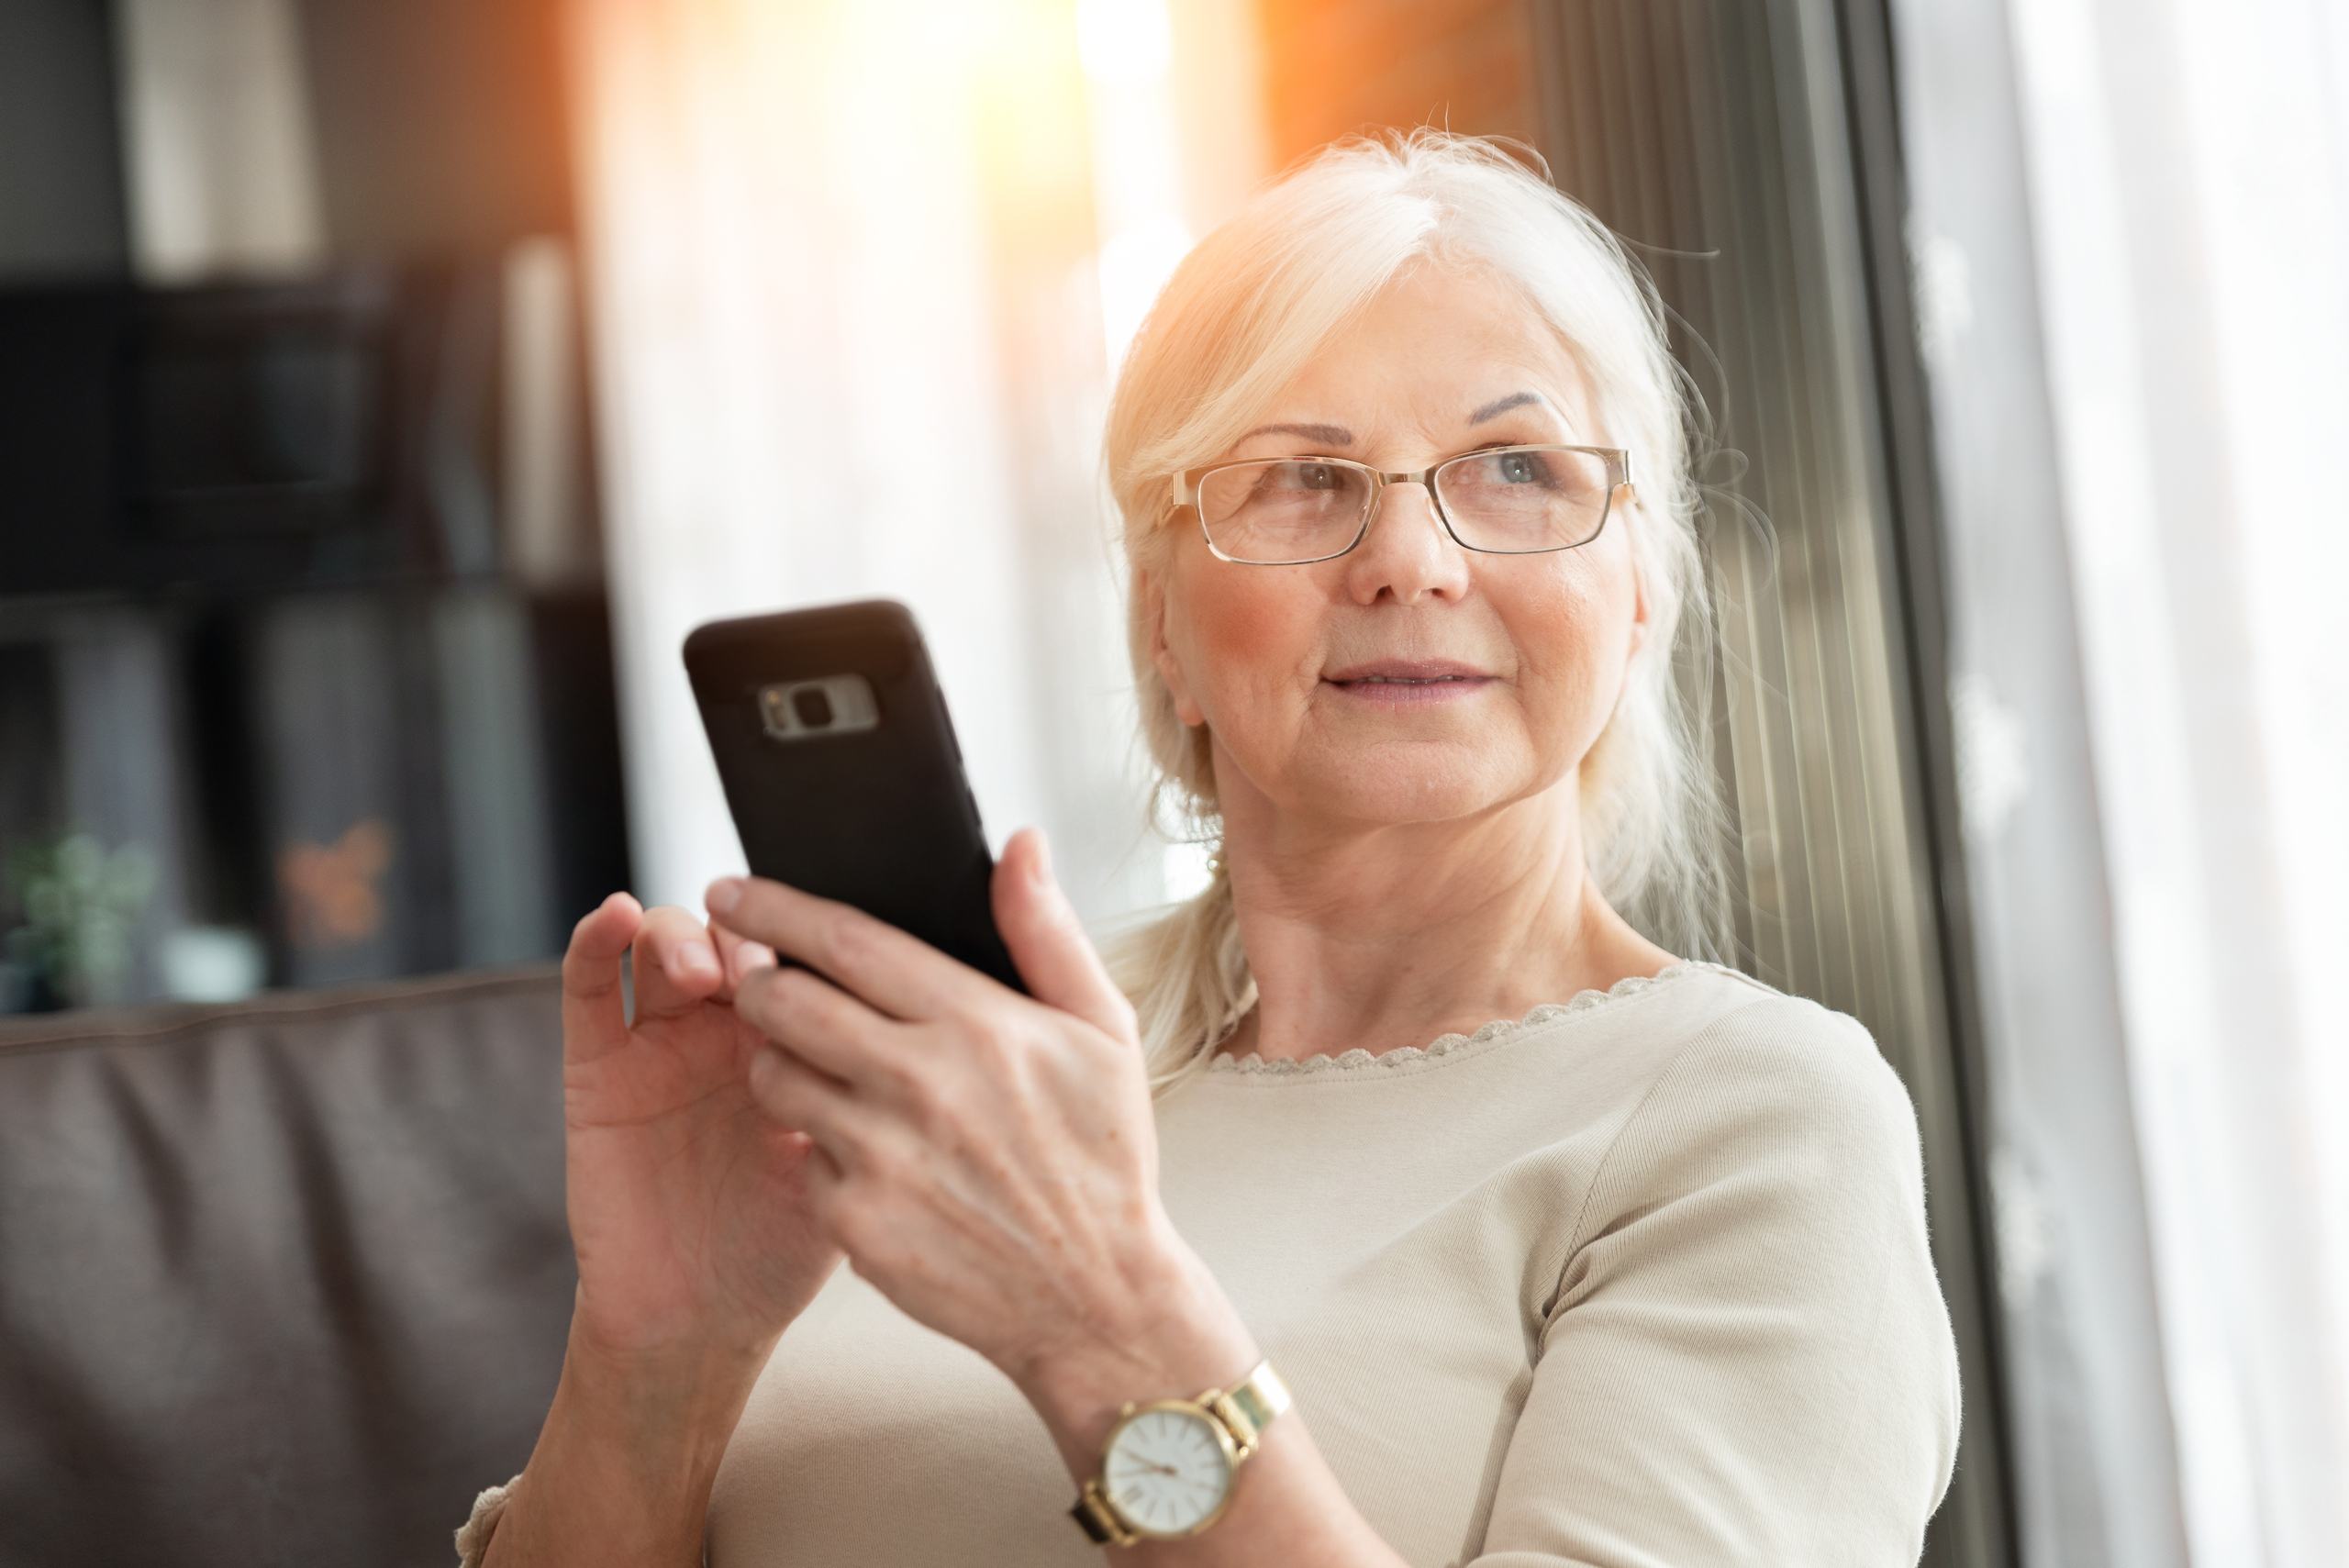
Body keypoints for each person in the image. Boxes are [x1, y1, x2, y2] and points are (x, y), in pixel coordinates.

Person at [456, 127, 1961, 1567]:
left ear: (1636, 591)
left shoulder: (1758, 1121)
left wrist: (1096, 1307)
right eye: (1304, 478)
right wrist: (663, 1349)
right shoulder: (982, 1067)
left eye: (1520, 470)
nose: (1411, 563)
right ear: (1162, 624)